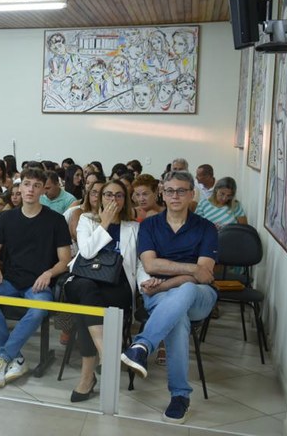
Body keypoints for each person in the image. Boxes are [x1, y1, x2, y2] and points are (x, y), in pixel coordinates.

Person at [121, 170, 218, 425]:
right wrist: (190, 269)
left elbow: (205, 275)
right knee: (178, 320)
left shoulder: (206, 228)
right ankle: (180, 396)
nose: (175, 195)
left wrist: (167, 284)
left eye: (181, 190)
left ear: (191, 194)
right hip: (162, 296)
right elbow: (151, 265)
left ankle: (142, 345)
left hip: (198, 296)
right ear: (162, 194)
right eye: (170, 190)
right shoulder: (150, 226)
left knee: (185, 292)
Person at [0, 168, 72, 388]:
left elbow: (64, 260)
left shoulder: (55, 221)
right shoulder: (6, 218)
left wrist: (49, 273)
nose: (30, 189)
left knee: (40, 307)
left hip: (38, 283)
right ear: (19, 187)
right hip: (9, 279)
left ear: (43, 190)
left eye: (36, 185)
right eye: (26, 184)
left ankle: (3, 357)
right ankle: (14, 357)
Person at [64, 180, 139, 402]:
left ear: (125, 200)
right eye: (107, 195)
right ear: (99, 197)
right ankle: (107, 353)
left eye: (118, 195)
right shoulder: (86, 221)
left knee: (86, 310)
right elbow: (86, 252)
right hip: (83, 278)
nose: (112, 200)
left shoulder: (133, 227)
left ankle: (87, 378)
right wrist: (104, 224)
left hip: (117, 285)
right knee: (87, 291)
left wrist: (146, 284)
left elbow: (140, 263)